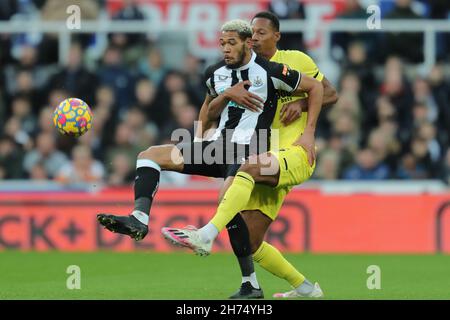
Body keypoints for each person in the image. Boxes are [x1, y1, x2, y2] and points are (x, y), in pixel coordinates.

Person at [97, 19, 323, 298]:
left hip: (250, 148)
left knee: (227, 200)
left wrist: (309, 133)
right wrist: (225, 98)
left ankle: (244, 278)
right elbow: (207, 112)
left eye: (231, 43)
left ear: (246, 42)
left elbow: (317, 88)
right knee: (149, 155)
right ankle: (139, 219)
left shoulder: (271, 71)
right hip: (218, 146)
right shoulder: (214, 73)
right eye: (221, 43)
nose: (225, 49)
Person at [162, 11, 338, 299]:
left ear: (276, 36)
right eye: (251, 32)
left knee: (242, 174)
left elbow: (329, 92)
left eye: (261, 32)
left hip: (293, 152)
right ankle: (306, 289)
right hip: (261, 154)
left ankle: (205, 235)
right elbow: (210, 110)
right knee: (251, 239)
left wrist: (303, 109)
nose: (254, 37)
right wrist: (202, 138)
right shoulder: (242, 72)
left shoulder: (295, 61)